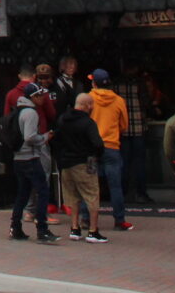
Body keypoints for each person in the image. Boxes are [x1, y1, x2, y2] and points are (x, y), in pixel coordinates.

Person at [53, 91, 108, 242]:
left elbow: (56, 141)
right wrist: (96, 155)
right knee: (92, 196)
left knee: (73, 197)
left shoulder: (62, 119)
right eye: (91, 105)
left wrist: (60, 159)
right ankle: (93, 231)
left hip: (65, 164)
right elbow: (97, 143)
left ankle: (74, 228)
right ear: (87, 105)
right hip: (84, 162)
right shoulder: (88, 123)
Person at [8, 81, 58, 242]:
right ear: (33, 97)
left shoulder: (19, 110)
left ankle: (15, 227)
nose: (43, 98)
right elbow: (29, 137)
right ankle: (42, 229)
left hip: (19, 159)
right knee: (43, 191)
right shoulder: (31, 113)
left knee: (23, 193)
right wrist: (44, 137)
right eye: (40, 95)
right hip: (30, 157)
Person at [87, 68, 132, 231]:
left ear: (94, 83)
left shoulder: (89, 99)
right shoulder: (119, 100)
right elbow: (124, 125)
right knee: (115, 185)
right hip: (112, 147)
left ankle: (86, 219)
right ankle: (119, 220)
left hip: (92, 148)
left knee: (90, 185)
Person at [115, 64, 156, 205]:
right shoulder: (140, 84)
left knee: (123, 163)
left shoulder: (116, 85)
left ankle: (126, 193)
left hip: (122, 128)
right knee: (139, 163)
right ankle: (141, 193)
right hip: (138, 127)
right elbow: (146, 103)